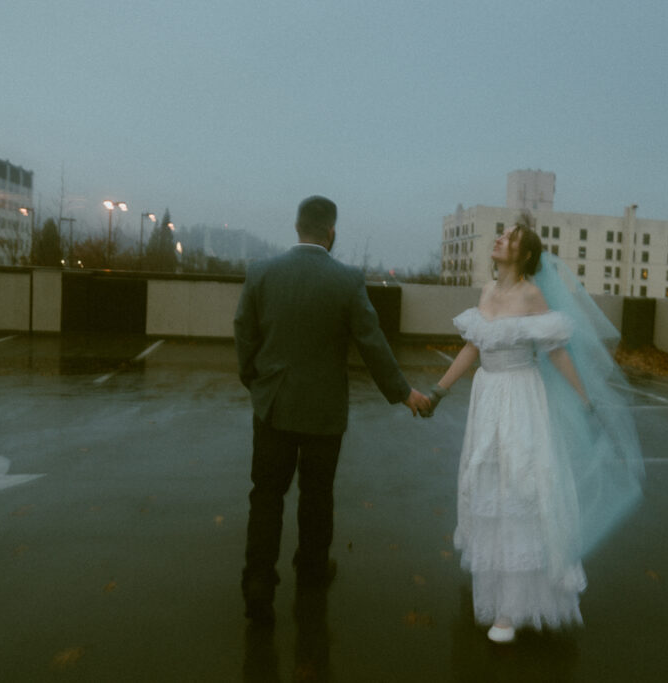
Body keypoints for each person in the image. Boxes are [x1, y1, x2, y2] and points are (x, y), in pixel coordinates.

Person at [424, 213, 643, 644]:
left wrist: (584, 398)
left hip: (522, 399)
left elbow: (557, 353)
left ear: (524, 255)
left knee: (520, 489)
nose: (501, 238)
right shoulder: (488, 290)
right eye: (503, 234)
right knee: (487, 484)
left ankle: (512, 608)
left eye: (511, 238)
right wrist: (438, 392)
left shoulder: (532, 295)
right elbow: (474, 346)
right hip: (487, 399)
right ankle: (496, 592)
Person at [234, 195, 431, 627]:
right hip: (324, 412)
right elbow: (372, 343)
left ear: (297, 226)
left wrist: (256, 380)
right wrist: (404, 393)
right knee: (316, 495)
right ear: (331, 232)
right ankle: (312, 572)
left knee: (266, 496)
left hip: (273, 406)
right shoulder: (346, 280)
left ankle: (258, 584)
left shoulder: (261, 273)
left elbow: (244, 333)